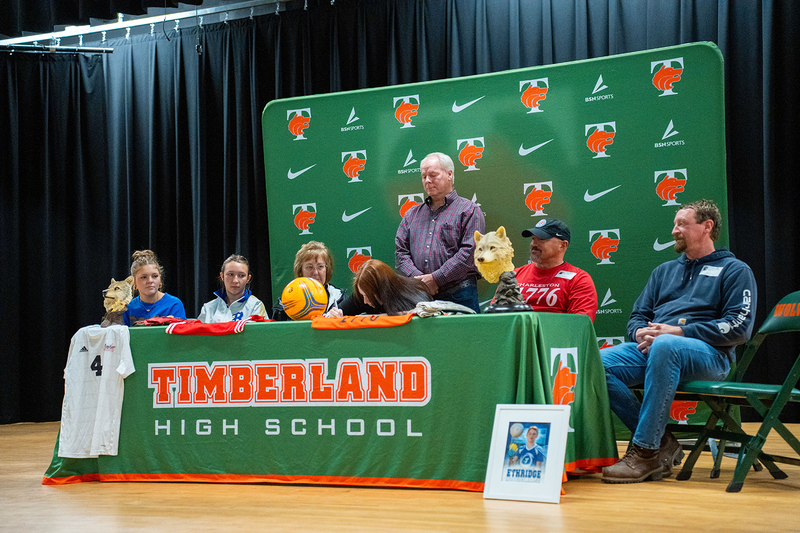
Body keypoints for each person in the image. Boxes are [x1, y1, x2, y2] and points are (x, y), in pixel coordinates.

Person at [600, 200, 757, 484]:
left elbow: (738, 327)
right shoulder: (663, 272)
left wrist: (678, 332)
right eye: (675, 224)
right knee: (596, 364)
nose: (674, 231)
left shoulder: (735, 270)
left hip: (710, 357)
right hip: (655, 350)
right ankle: (662, 443)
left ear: (707, 227)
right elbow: (637, 317)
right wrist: (639, 333)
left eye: (682, 224)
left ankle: (646, 452)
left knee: (665, 346)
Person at [395, 152, 486, 313]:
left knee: (464, 338)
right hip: (419, 297)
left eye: (433, 175)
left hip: (460, 294)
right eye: (424, 176)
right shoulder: (411, 214)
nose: (427, 180)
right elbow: (401, 253)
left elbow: (469, 253)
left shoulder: (469, 210)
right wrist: (421, 281)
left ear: (449, 174)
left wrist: (436, 279)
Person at [515, 218, 598, 321]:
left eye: (542, 239)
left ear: (562, 246)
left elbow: (579, 327)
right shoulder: (514, 275)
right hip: (516, 336)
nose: (534, 244)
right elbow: (497, 317)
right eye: (533, 238)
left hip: (553, 336)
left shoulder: (579, 280)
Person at [272, 241, 347, 320]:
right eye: (309, 267)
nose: (315, 272)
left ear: (327, 269)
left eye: (320, 266)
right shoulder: (286, 304)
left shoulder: (339, 298)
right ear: (300, 271)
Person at [347, 259, 432, 315]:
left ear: (381, 290)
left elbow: (421, 315)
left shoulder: (413, 295)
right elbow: (340, 311)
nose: (365, 301)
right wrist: (335, 313)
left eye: (368, 296)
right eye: (363, 295)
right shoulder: (363, 295)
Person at [123, 250, 186, 326]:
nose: (150, 281)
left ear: (160, 280)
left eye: (155, 276)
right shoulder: (127, 308)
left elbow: (179, 336)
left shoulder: (174, 305)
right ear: (134, 282)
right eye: (144, 277)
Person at [198, 255, 267, 323]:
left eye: (241, 275)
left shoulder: (256, 306)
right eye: (230, 274)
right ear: (222, 276)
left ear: (248, 279)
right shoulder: (208, 308)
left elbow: (262, 333)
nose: (235, 280)